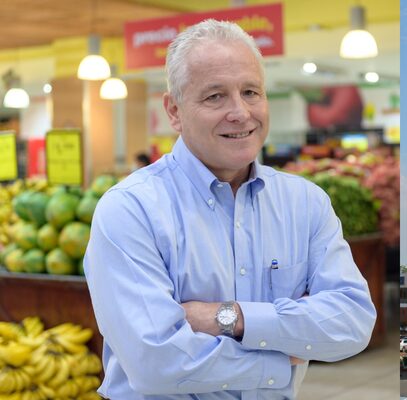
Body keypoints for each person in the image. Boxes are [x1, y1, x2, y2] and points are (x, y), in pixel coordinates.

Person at [84, 19, 376, 399]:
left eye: (251, 91)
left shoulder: (305, 204)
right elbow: (156, 363)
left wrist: (230, 317)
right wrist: (281, 354)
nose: (240, 112)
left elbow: (351, 323)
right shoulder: (130, 211)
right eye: (214, 96)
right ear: (174, 110)